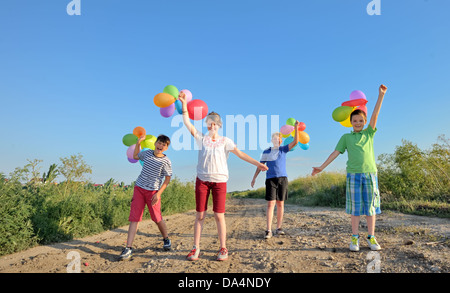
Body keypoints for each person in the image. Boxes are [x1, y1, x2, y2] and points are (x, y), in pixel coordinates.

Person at [178, 92, 268, 261]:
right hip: (202, 180)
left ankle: (223, 248)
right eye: (209, 122)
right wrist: (184, 105)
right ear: (207, 124)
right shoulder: (201, 138)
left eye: (215, 123)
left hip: (220, 181)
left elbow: (240, 154)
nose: (212, 125)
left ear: (219, 125)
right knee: (200, 215)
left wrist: (258, 164)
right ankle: (195, 248)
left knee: (219, 215)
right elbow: (186, 122)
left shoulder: (226, 141)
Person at [312, 84, 387, 252]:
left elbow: (375, 115)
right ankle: (355, 238)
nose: (358, 123)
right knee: (355, 208)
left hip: (369, 175)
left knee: (370, 208)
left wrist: (380, 96)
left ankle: (371, 237)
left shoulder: (369, 133)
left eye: (361, 121)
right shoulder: (346, 137)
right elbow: (335, 153)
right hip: (353, 176)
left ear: (365, 122)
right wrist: (321, 167)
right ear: (350, 123)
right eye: (355, 121)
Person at [118, 134, 173, 260]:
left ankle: (166, 239)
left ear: (166, 148)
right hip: (139, 188)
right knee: (134, 218)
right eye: (159, 143)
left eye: (164, 145)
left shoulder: (166, 161)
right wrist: (138, 143)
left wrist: (158, 194)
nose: (161, 145)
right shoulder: (147, 153)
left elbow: (167, 179)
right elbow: (135, 156)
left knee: (156, 217)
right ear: (155, 143)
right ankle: (128, 248)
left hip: (153, 192)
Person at [251, 121, 299, 239]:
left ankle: (278, 228)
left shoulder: (283, 149)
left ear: (281, 141)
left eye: (278, 139)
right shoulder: (266, 152)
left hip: (282, 179)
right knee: (270, 204)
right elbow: (260, 165)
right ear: (272, 140)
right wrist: (254, 178)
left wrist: (296, 128)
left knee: (280, 204)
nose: (276, 140)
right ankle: (268, 230)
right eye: (274, 139)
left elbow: (296, 142)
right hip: (270, 180)